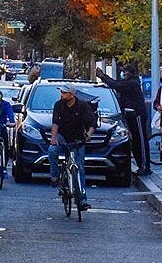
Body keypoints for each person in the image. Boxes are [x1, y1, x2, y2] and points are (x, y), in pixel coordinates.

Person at [96, 63, 150, 175]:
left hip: (137, 115)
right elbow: (116, 84)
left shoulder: (132, 83)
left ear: (129, 73)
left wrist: (103, 76)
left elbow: (117, 85)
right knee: (135, 142)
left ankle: (145, 167)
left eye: (124, 72)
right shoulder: (127, 82)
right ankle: (141, 165)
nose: (123, 74)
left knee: (140, 141)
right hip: (130, 116)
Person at [48, 83, 95, 211]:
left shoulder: (82, 106)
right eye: (61, 92)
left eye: (65, 93)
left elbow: (92, 124)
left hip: (78, 139)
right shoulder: (58, 105)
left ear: (72, 94)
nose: (62, 95)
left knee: (79, 168)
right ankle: (55, 177)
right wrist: (53, 139)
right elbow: (55, 123)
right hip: (63, 137)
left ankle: (82, 199)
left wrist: (89, 134)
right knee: (52, 150)